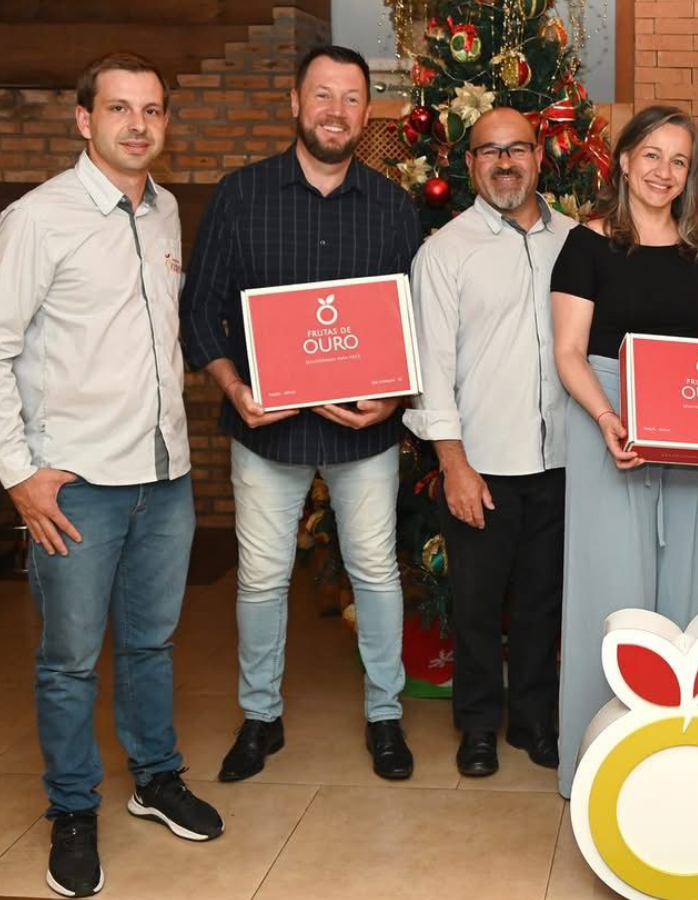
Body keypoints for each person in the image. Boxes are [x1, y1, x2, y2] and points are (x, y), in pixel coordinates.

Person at [0, 51, 222, 898]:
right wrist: (19, 477)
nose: (138, 125)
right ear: (85, 119)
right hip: (75, 488)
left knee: (150, 643)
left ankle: (154, 778)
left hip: (165, 475)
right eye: (119, 108)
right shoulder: (37, 219)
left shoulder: (165, 211)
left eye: (152, 110)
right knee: (70, 660)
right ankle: (73, 810)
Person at [179, 45, 424, 783]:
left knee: (375, 572)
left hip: (365, 434)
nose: (335, 112)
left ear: (367, 113)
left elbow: (416, 321)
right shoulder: (240, 196)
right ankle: (261, 716)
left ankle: (385, 714)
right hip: (267, 430)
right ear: (294, 102)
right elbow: (200, 311)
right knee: (260, 578)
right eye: (322, 95)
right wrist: (232, 385)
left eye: (350, 98)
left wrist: (397, 394)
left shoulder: (393, 206)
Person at [550, 105, 698, 797]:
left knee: (685, 587)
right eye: (651, 155)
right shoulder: (585, 245)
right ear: (623, 161)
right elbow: (569, 351)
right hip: (609, 419)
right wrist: (607, 417)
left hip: (687, 425)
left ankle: (669, 767)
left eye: (679, 160)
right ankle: (596, 767)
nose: (664, 171)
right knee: (609, 590)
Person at [405, 108, 575, 777]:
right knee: (477, 605)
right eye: (490, 151)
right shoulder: (445, 252)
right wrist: (453, 465)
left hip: (563, 459)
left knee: (541, 601)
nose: (506, 163)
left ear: (539, 155)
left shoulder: (575, 242)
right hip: (483, 465)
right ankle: (477, 725)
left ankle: (532, 721)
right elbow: (431, 367)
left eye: (518, 149)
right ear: (470, 163)